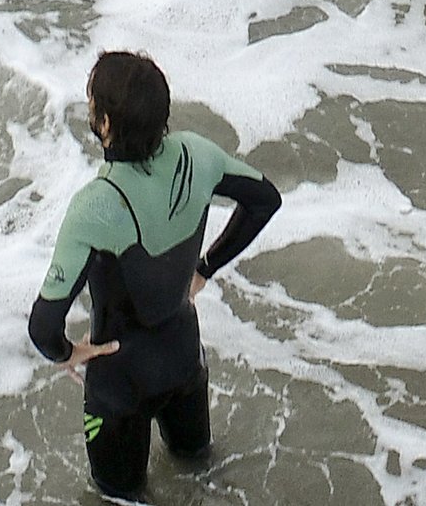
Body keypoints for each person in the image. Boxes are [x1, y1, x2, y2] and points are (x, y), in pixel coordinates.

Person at [29, 51, 282, 503]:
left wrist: (72, 352)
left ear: (105, 124)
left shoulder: (96, 205)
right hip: (185, 359)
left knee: (119, 497)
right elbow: (265, 200)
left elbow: (44, 329)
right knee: (200, 472)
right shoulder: (198, 154)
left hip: (119, 384)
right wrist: (205, 268)